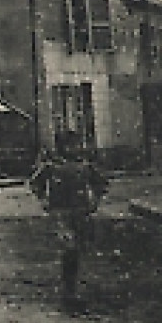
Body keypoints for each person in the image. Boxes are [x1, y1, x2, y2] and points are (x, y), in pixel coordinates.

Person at [29, 131, 110, 310]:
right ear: (62, 147)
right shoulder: (51, 166)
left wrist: (94, 201)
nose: (75, 148)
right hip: (60, 214)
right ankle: (69, 293)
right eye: (71, 145)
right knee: (69, 249)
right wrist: (44, 200)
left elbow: (102, 184)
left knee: (77, 252)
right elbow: (35, 183)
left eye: (77, 145)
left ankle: (72, 290)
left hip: (80, 213)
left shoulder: (85, 166)